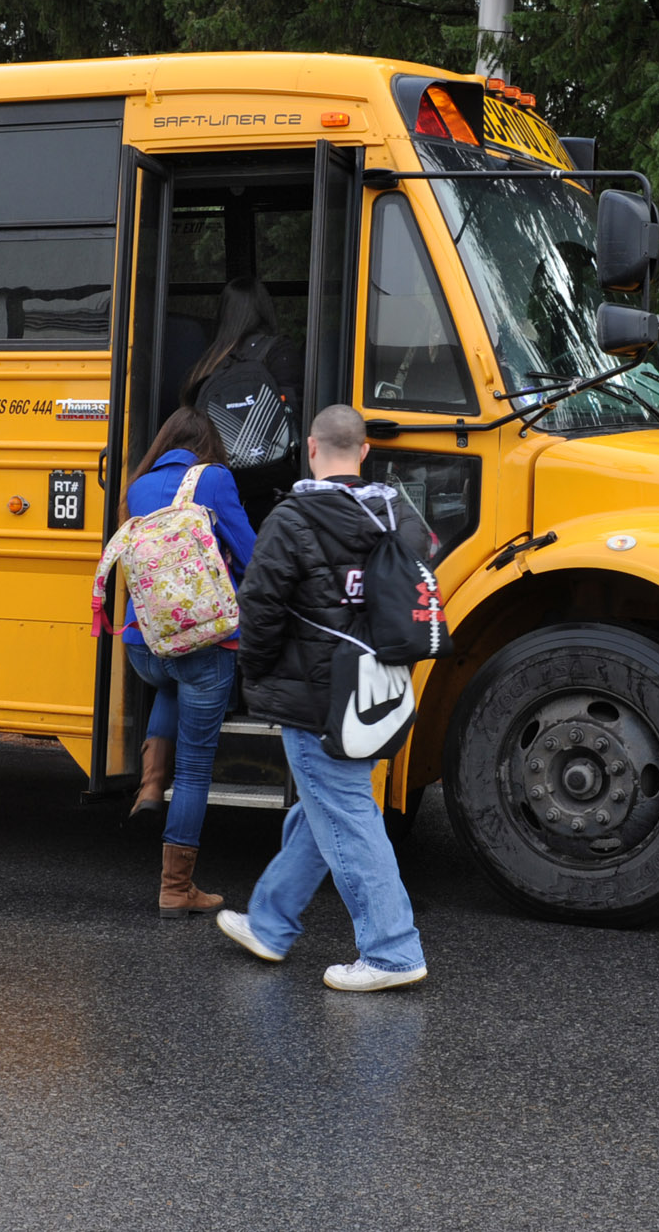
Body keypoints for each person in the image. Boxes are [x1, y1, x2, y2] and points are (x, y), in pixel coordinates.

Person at [214, 404, 431, 992]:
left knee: (346, 814)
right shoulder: (396, 511)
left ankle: (391, 951)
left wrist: (254, 675)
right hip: (378, 689)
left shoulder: (293, 517)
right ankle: (270, 923)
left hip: (314, 697)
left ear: (312, 448)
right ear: (364, 451)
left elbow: (258, 607)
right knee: (325, 807)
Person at [117, 406, 257, 917]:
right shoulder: (214, 479)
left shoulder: (138, 485)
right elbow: (249, 552)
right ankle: (176, 887)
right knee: (196, 769)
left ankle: (150, 784)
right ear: (208, 445)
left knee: (170, 684)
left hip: (143, 644)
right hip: (201, 643)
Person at [182, 277, 303, 522]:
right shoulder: (279, 352)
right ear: (265, 310)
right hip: (272, 486)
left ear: (224, 313)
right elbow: (295, 416)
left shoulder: (205, 364)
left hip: (217, 482)